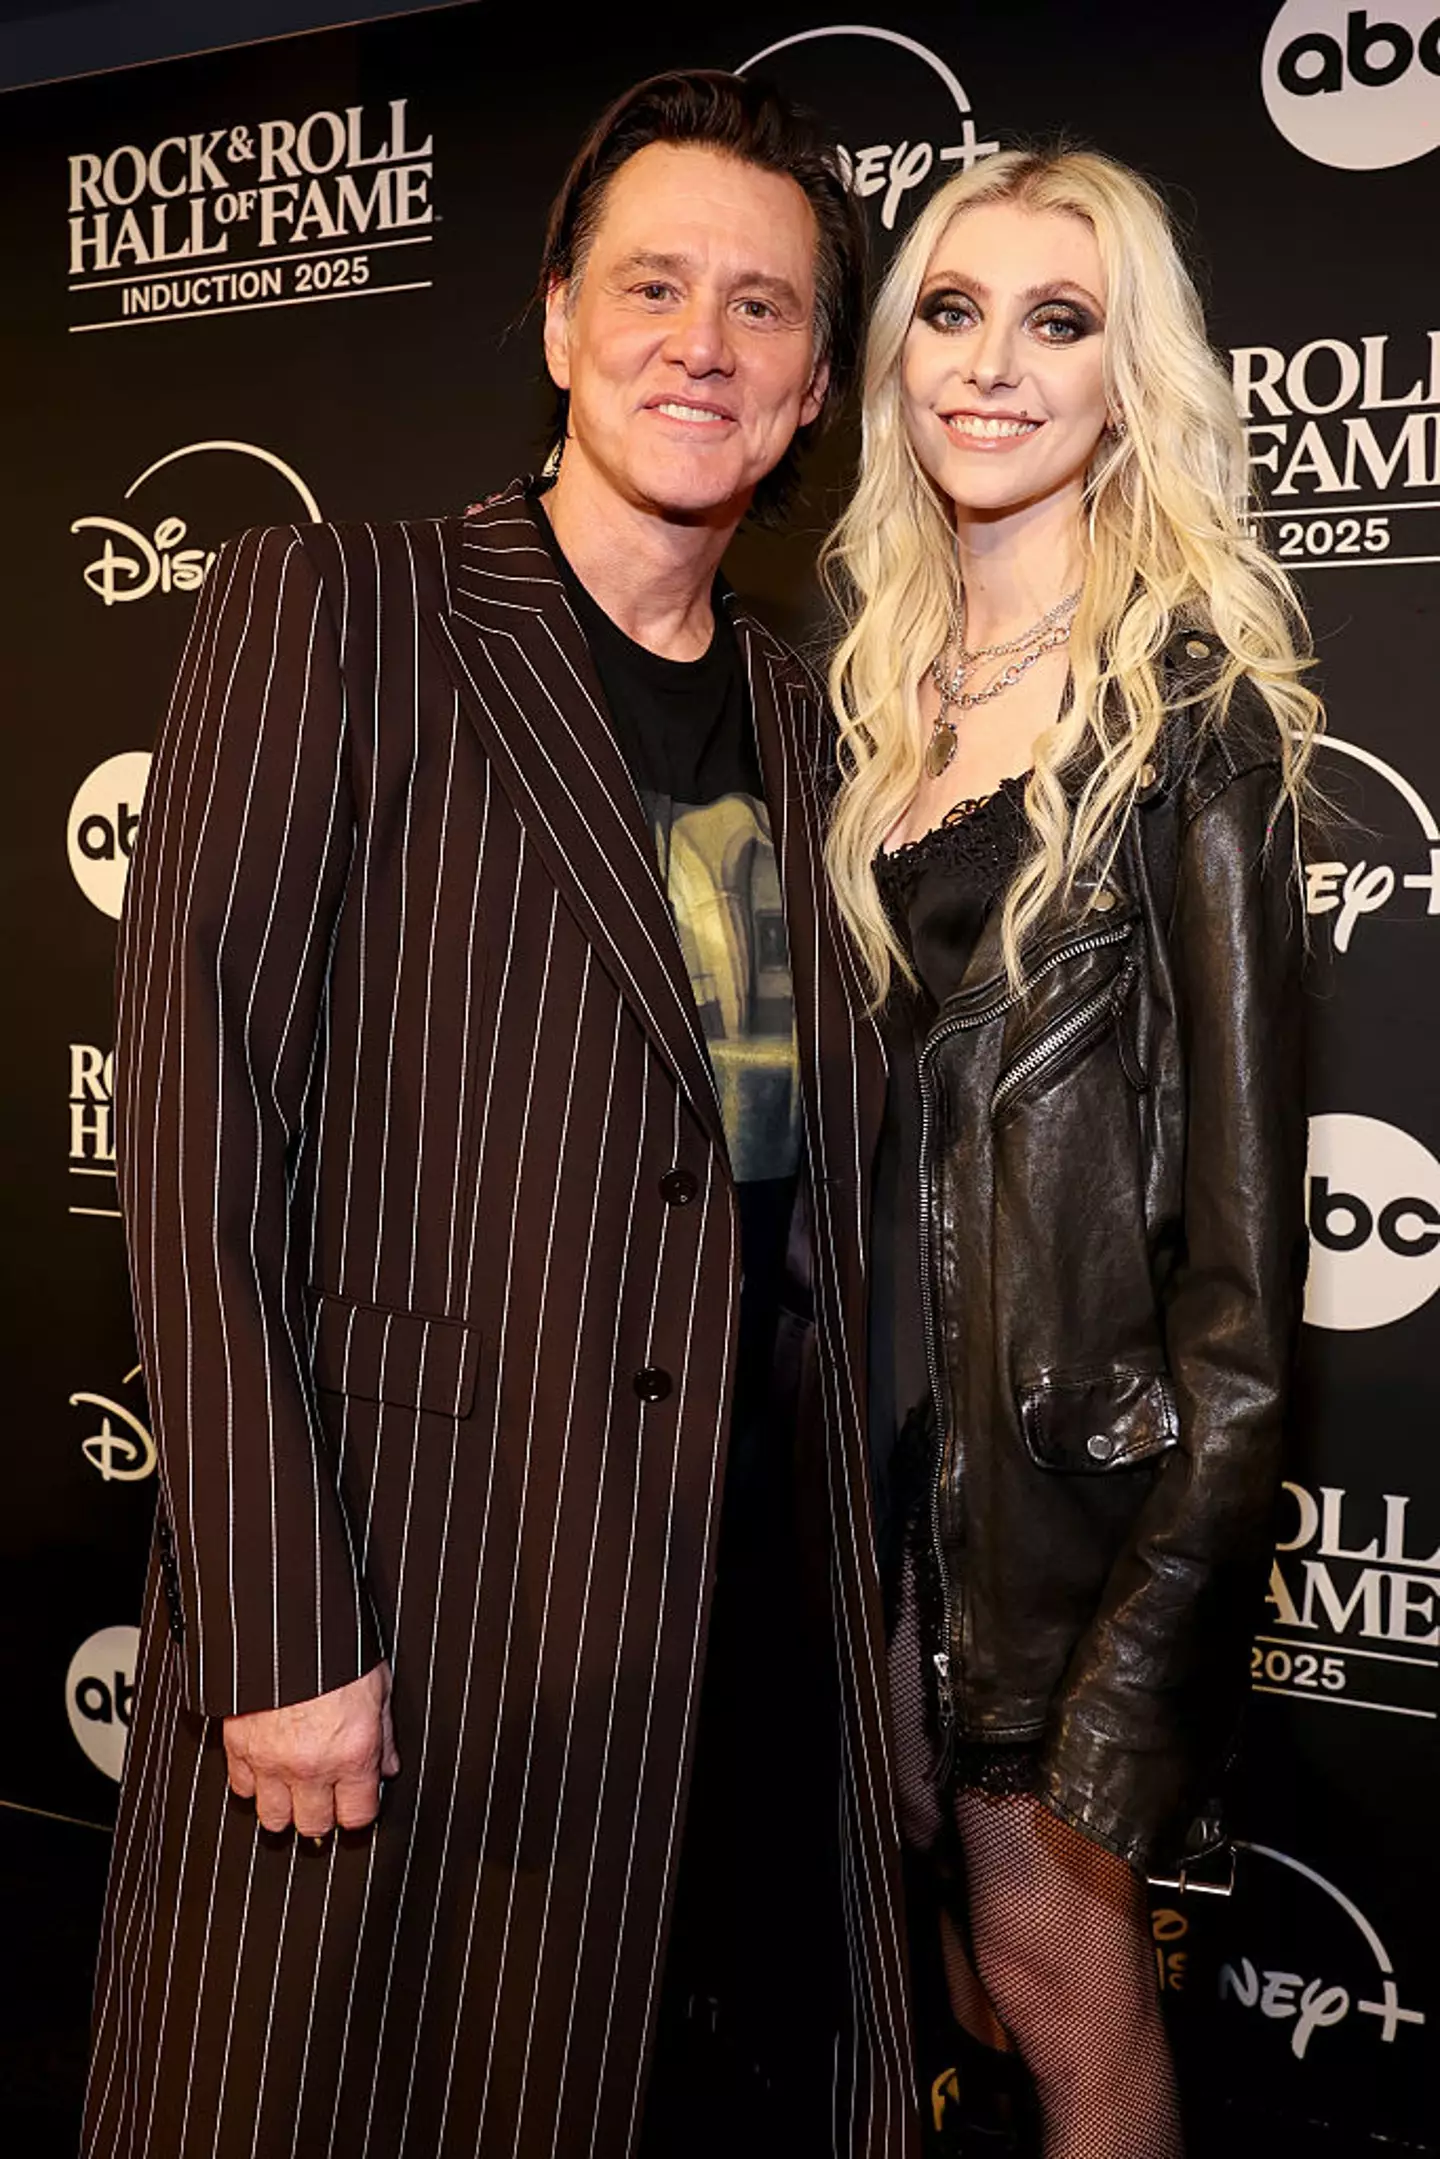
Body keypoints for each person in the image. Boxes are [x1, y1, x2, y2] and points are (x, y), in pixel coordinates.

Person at [83, 70, 897, 2159]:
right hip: (413, 1599)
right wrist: (274, 1622)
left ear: (814, 389)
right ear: (555, 320)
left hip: (735, 1629)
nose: (699, 344)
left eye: (764, 308)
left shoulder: (822, 728)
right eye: (651, 284)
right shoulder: (329, 609)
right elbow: (195, 1134)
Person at [823, 149, 1319, 2155]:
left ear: (1137, 379)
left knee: (1062, 1995)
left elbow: (1244, 1275)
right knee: (930, 1972)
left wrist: (1131, 1651)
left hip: (1047, 1522)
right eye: (951, 311)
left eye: (1061, 320)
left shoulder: (1194, 714)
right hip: (851, 1487)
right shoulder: (855, 699)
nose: (995, 369)